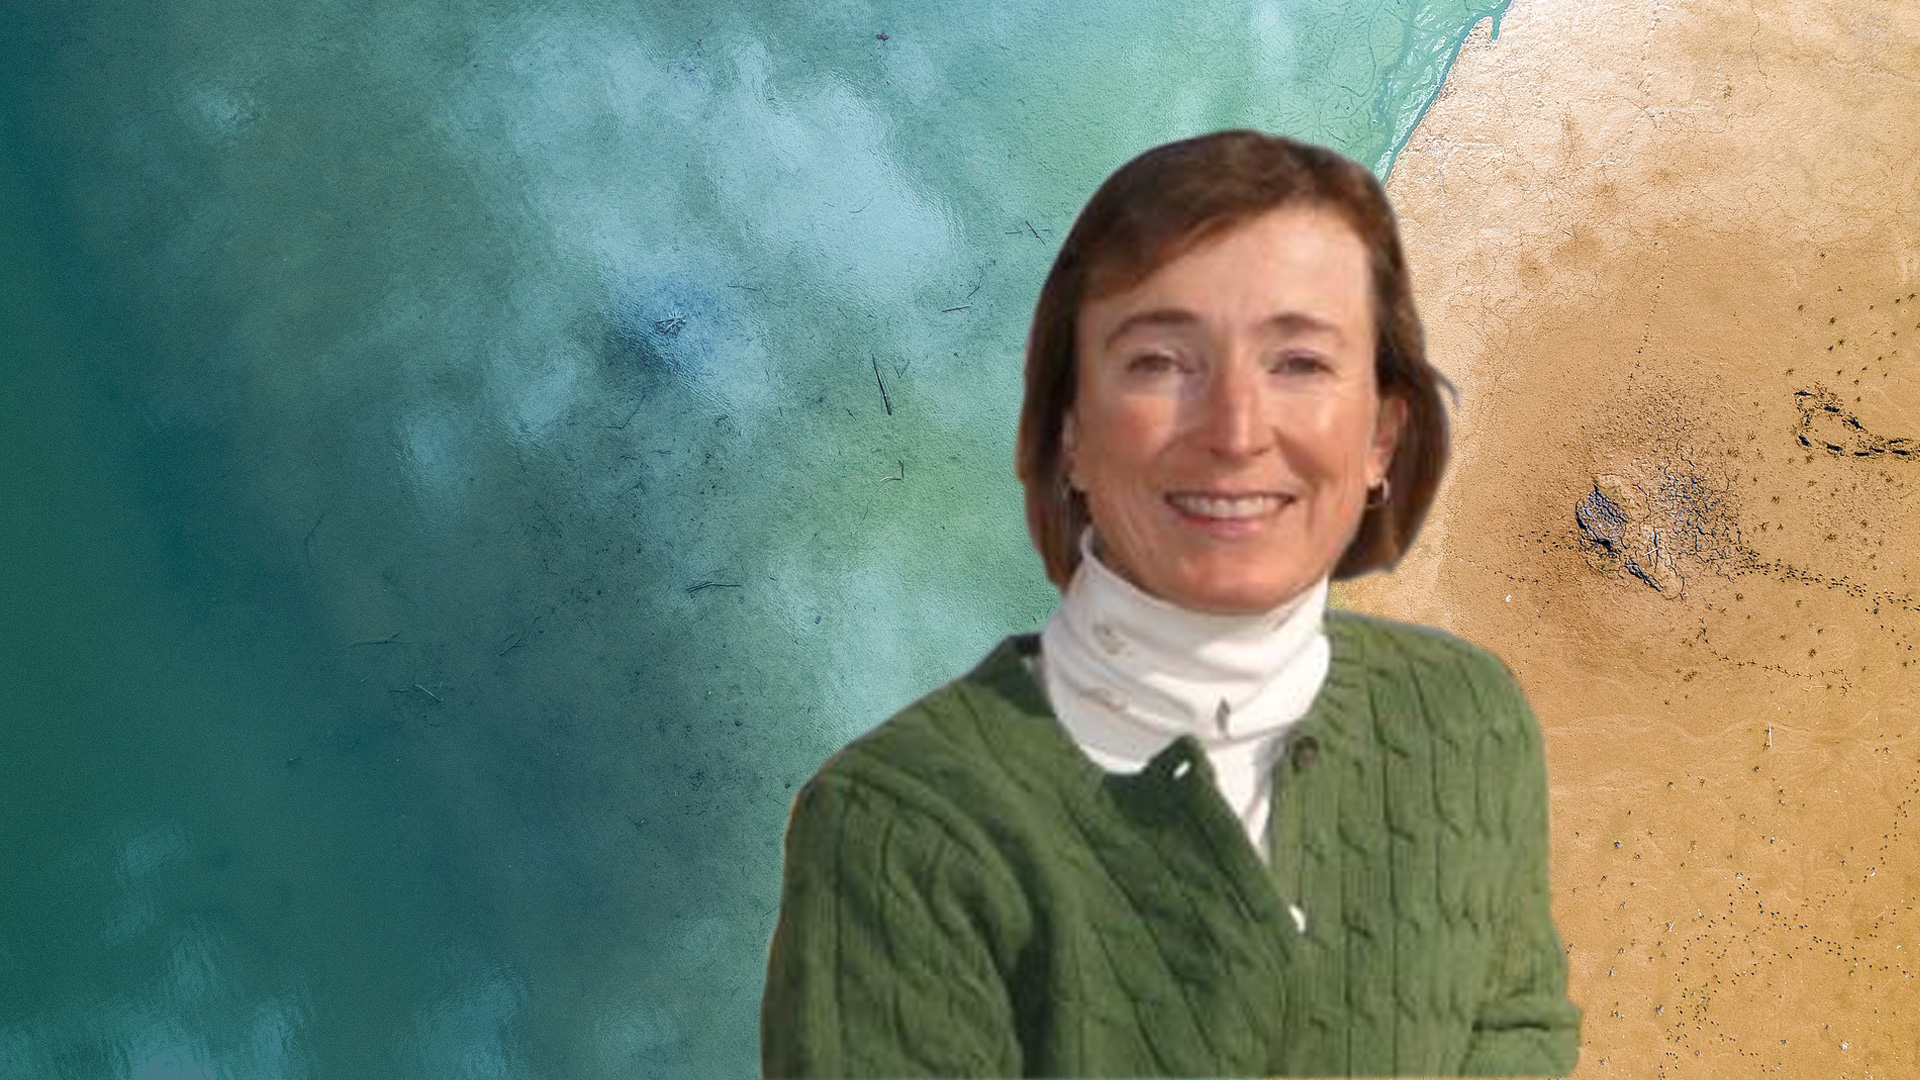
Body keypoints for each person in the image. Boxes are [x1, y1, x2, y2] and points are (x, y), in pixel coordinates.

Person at [760, 129, 1581, 1078]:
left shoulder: (1469, 719)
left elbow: (1520, 1030)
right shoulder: (899, 832)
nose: (1235, 431)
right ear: (1070, 431)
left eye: (1299, 362)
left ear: (1382, 439)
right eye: (1159, 361)